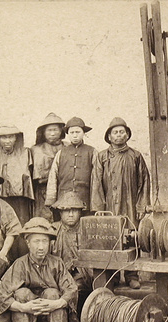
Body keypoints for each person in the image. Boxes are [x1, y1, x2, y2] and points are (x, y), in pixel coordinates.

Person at [0, 217, 78, 322]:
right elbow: (2, 293)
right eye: (36, 242)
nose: (41, 247)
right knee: (20, 293)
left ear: (50, 243)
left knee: (53, 293)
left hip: (51, 317)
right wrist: (23, 307)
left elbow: (71, 289)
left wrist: (57, 303)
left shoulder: (57, 263)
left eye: (44, 242)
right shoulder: (20, 264)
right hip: (29, 318)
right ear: (28, 243)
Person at [91, 117, 150, 289]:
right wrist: (99, 209)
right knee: (111, 239)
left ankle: (131, 275)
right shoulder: (102, 157)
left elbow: (144, 182)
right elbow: (96, 184)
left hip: (129, 204)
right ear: (109, 136)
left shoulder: (136, 156)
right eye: (115, 132)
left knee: (131, 238)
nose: (119, 135)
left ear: (127, 134)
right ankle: (113, 277)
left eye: (122, 132)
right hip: (109, 206)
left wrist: (141, 206)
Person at [0, 125, 35, 226]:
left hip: (20, 200)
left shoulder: (25, 153)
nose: (7, 141)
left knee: (21, 224)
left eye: (11, 137)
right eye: (4, 137)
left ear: (16, 138)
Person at [45, 117, 97, 213]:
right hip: (63, 201)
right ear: (68, 134)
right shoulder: (61, 153)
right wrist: (51, 200)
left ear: (84, 133)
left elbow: (96, 179)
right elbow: (53, 177)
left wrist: (95, 205)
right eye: (72, 133)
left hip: (84, 201)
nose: (75, 135)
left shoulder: (92, 152)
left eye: (78, 132)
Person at [51, 191, 93, 291]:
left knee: (77, 288)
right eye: (66, 211)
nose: (70, 215)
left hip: (81, 275)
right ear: (60, 212)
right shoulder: (53, 230)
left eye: (74, 210)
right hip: (57, 275)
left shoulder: (87, 230)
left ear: (80, 212)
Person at [31, 113, 65, 221]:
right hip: (42, 192)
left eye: (55, 130)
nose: (52, 133)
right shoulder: (35, 150)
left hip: (63, 190)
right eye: (49, 130)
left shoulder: (68, 147)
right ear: (43, 133)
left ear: (61, 131)